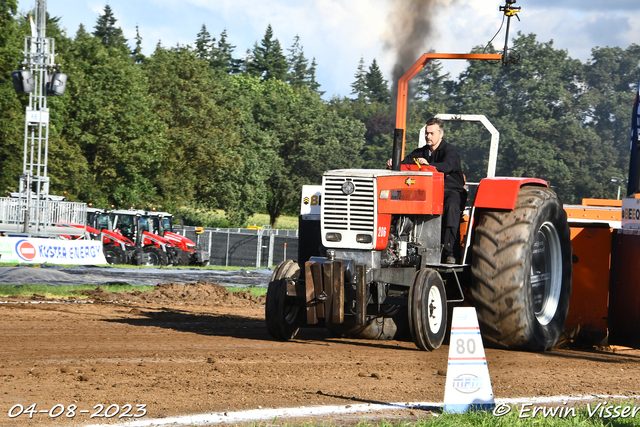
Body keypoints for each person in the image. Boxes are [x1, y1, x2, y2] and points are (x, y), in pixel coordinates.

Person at [386, 117, 467, 264]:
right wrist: (394, 163)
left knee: (451, 205)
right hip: (427, 191)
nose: (428, 136)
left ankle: (451, 252)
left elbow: (448, 166)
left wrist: (430, 165)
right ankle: (397, 244)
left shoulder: (451, 151)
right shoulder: (421, 152)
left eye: (431, 133)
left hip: (450, 190)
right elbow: (406, 162)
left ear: (440, 134)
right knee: (398, 199)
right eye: (426, 133)